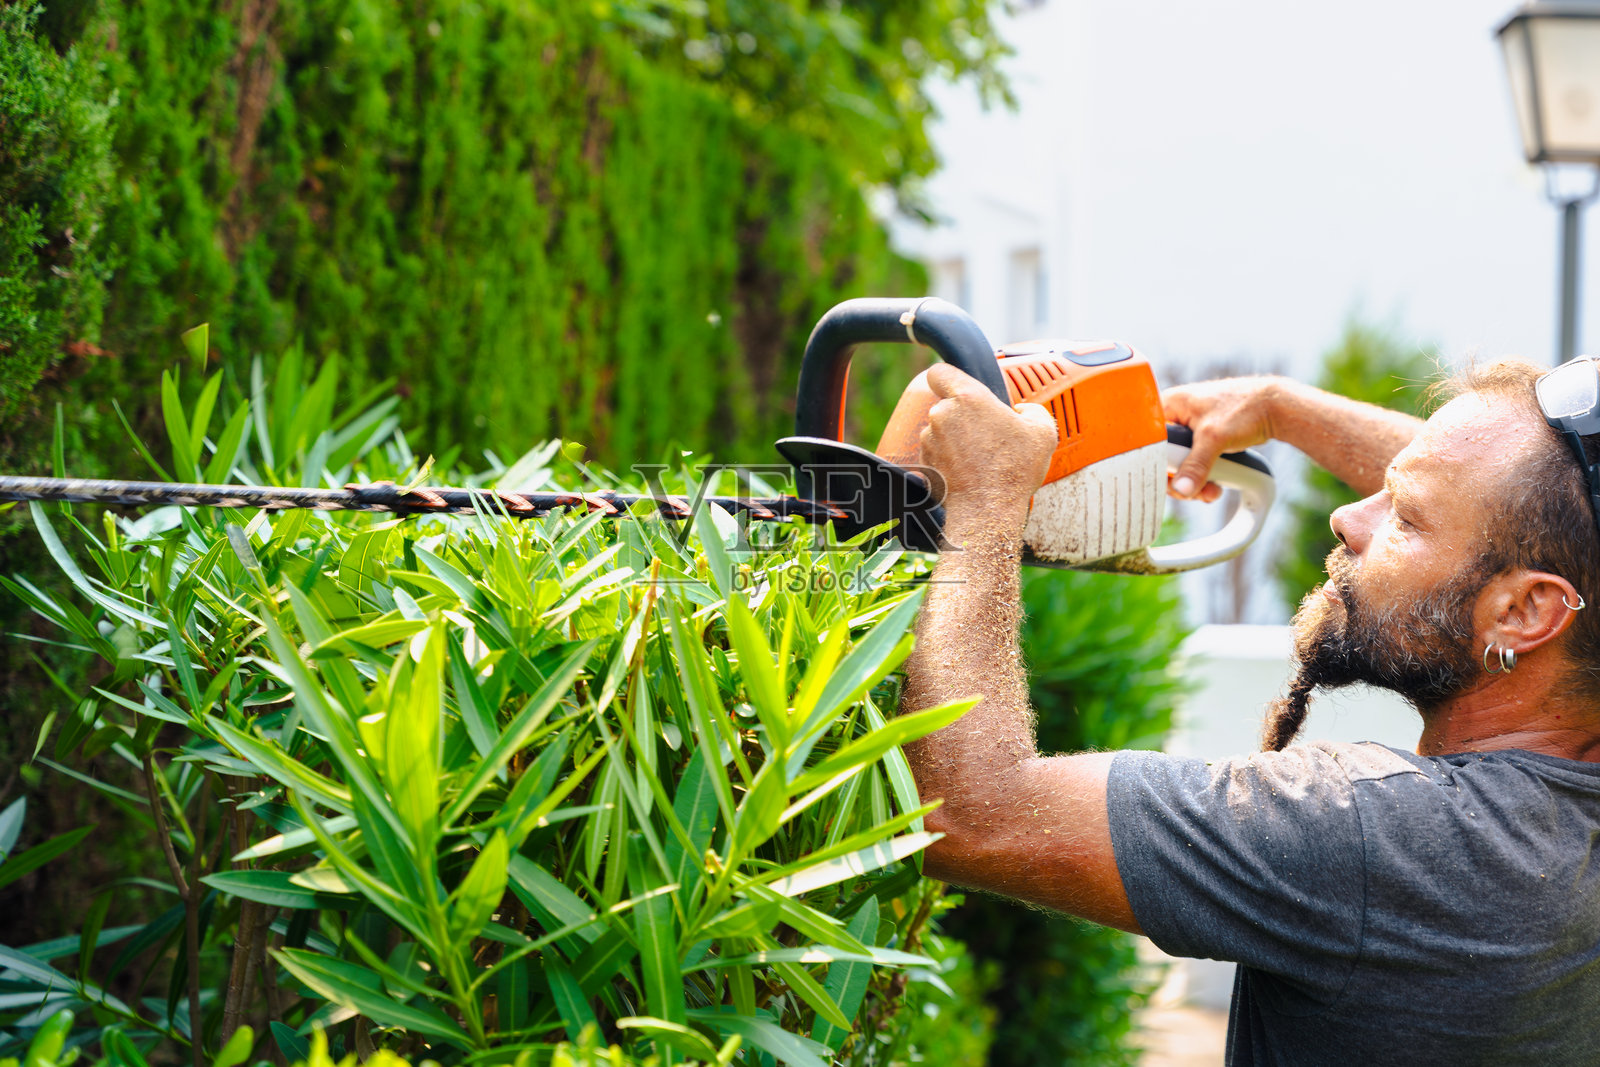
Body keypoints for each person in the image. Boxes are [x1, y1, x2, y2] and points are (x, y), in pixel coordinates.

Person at [900, 358, 1600, 1065]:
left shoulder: (1381, 840)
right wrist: (1283, 408)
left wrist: (985, 502)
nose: (1349, 515)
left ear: (1522, 611)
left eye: (1405, 516)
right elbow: (1526, 509)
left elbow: (971, 813)